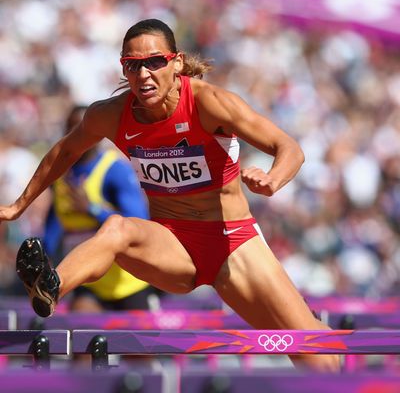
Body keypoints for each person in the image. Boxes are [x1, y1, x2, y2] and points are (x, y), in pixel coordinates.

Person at [0, 19, 339, 372]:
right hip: (173, 245)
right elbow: (64, 152)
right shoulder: (110, 115)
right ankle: (50, 288)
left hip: (232, 245)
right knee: (118, 229)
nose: (144, 74)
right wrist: (18, 206)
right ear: (124, 69)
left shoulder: (210, 103)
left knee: (313, 356)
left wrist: (273, 179)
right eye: (132, 65)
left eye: (154, 61)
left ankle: (322, 337)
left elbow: (289, 148)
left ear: (176, 63)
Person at [43, 105, 159, 312]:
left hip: (128, 282)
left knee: (138, 343)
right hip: (88, 282)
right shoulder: (59, 175)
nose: (78, 137)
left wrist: (92, 209)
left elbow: (139, 221)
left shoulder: (115, 170)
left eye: (84, 130)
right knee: (80, 327)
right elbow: (54, 221)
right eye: (72, 130)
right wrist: (45, 257)